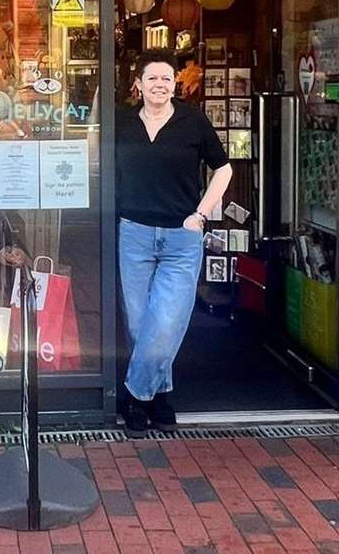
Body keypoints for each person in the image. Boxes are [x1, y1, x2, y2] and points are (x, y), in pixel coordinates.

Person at [116, 48, 233, 433]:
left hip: (181, 237)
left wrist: (200, 214)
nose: (160, 85)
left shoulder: (192, 121)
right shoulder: (121, 121)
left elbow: (224, 169)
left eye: (167, 78)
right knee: (139, 324)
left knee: (166, 322)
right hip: (134, 232)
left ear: (175, 83)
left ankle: (134, 397)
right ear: (139, 83)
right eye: (152, 78)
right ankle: (161, 393)